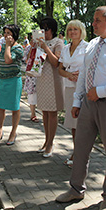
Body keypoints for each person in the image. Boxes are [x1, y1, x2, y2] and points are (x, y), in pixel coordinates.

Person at [56, 7, 106, 207]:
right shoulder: (93, 44)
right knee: (80, 148)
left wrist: (101, 91)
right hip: (88, 103)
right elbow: (84, 74)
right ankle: (76, 189)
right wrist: (78, 101)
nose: (93, 24)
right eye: (94, 20)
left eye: (97, 20)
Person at [58, 20, 88, 163]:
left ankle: (82, 155)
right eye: (70, 29)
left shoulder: (88, 48)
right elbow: (60, 69)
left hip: (83, 89)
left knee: (83, 124)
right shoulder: (65, 48)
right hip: (69, 88)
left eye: (75, 29)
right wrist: (69, 75)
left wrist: (80, 75)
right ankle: (76, 152)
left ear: (81, 31)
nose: (72, 32)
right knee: (73, 123)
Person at [35, 17, 64, 158]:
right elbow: (31, 60)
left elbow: (56, 63)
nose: (43, 32)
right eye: (41, 28)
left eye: (45, 28)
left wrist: (45, 48)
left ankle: (51, 143)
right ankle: (46, 140)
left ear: (52, 29)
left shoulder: (58, 42)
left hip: (53, 81)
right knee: (45, 113)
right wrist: (35, 48)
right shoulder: (39, 43)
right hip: (41, 79)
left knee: (52, 112)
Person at [0, 24, 24, 145]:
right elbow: (0, 62)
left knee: (15, 108)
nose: (6, 35)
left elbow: (8, 60)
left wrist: (8, 47)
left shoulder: (18, 48)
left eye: (9, 33)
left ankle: (13, 132)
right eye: (5, 33)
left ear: (14, 35)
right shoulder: (3, 47)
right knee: (0, 107)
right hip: (2, 80)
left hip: (13, 81)